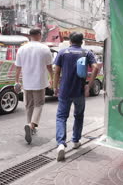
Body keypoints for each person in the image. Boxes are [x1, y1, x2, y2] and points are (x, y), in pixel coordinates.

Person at [53, 32, 99, 161]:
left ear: (70, 41)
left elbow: (56, 71)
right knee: (78, 116)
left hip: (65, 91)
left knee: (61, 117)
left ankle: (61, 144)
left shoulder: (62, 52)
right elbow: (95, 68)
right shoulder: (87, 53)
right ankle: (76, 141)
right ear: (82, 41)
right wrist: (88, 86)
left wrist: (55, 87)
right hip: (79, 91)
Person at [15, 28, 53, 144]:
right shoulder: (45, 49)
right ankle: (31, 126)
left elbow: (18, 67)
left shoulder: (21, 49)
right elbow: (49, 67)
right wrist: (52, 78)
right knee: (39, 104)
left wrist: (16, 81)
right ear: (39, 35)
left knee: (29, 105)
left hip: (26, 82)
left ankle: (30, 125)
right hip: (39, 82)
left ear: (29, 35)